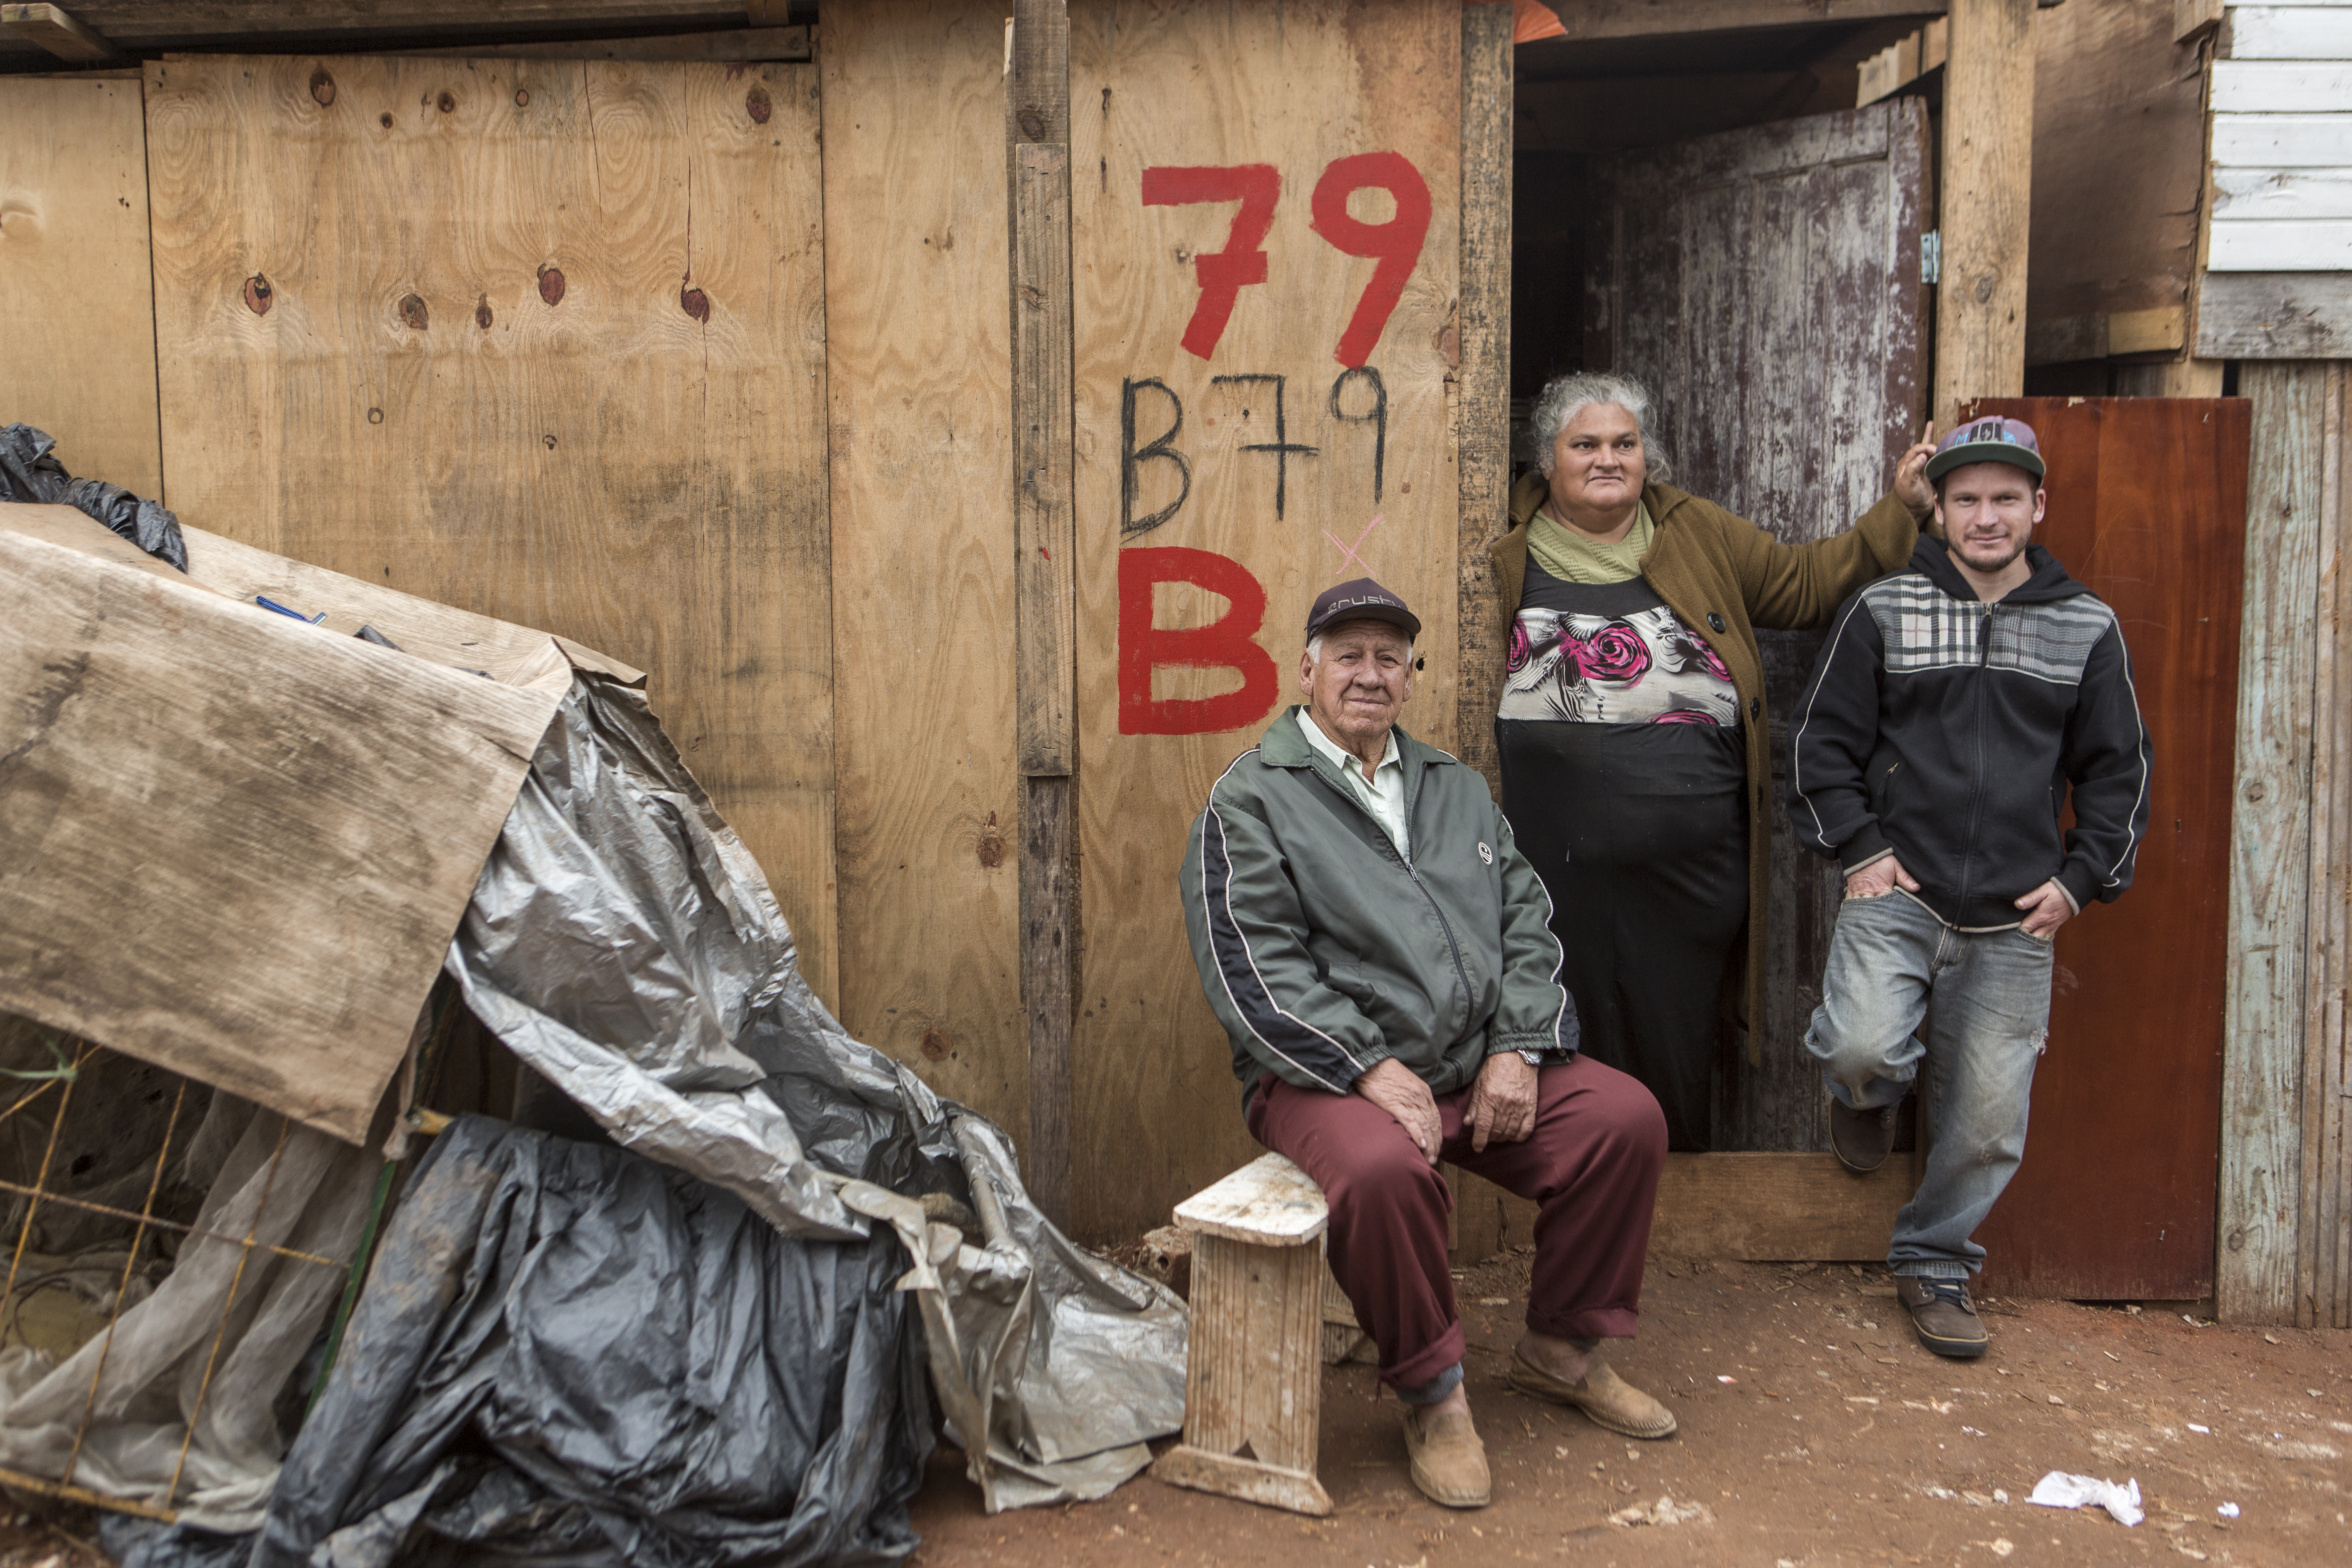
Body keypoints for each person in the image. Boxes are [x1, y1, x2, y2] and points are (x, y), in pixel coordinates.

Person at [1180, 577, 1671, 1511]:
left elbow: (1526, 921)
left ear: (1410, 675)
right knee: (1380, 1173)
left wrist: (1517, 1045)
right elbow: (1251, 967)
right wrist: (1368, 1066)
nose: (1369, 674)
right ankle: (1433, 1394)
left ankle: (1562, 1349)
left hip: (1474, 1062)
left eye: (1388, 657)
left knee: (1624, 1120)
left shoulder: (1455, 787)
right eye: (1348, 655)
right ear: (1307, 670)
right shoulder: (1251, 798)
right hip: (1322, 1073)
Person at [1491, 373, 1938, 1152]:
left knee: (1673, 1046)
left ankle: (1667, 1197)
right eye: (1585, 444)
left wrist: (1900, 509)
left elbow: (1805, 585)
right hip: (1553, 870)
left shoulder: (1694, 532)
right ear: (1548, 459)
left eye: (1625, 443)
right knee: (1561, 1038)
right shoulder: (1502, 547)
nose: (1608, 459)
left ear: (1647, 456)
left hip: (1691, 872)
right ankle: (1576, 1195)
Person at [1787, 416, 2152, 1359]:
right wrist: (1861, 848)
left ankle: (1934, 1262)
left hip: (2016, 921)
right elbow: (1820, 745)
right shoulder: (1884, 609)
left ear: (2038, 506)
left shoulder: (2086, 626)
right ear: (1939, 510)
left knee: (1988, 1122)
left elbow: (2118, 772)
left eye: (2005, 498)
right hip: (1897, 895)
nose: (1986, 517)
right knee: (1862, 1047)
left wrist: (2080, 881)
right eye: (1966, 499)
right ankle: (1868, 1093)